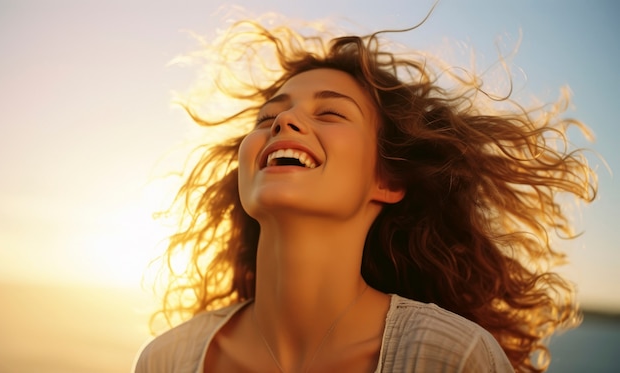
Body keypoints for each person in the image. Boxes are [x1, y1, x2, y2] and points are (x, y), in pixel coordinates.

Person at [134, 16, 596, 373]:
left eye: (331, 113)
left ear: (389, 182)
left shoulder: (449, 356)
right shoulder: (167, 359)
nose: (283, 122)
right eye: (267, 117)